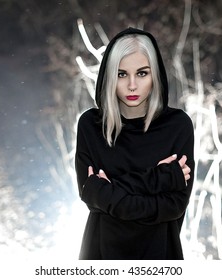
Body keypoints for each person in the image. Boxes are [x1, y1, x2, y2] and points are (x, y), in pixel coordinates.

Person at [75, 27, 194, 260]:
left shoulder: (177, 126)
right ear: (109, 76)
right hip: (100, 258)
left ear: (155, 75)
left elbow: (175, 206)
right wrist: (162, 178)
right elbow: (90, 194)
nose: (131, 85)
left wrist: (109, 194)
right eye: (121, 74)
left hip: (161, 258)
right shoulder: (91, 125)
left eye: (141, 73)